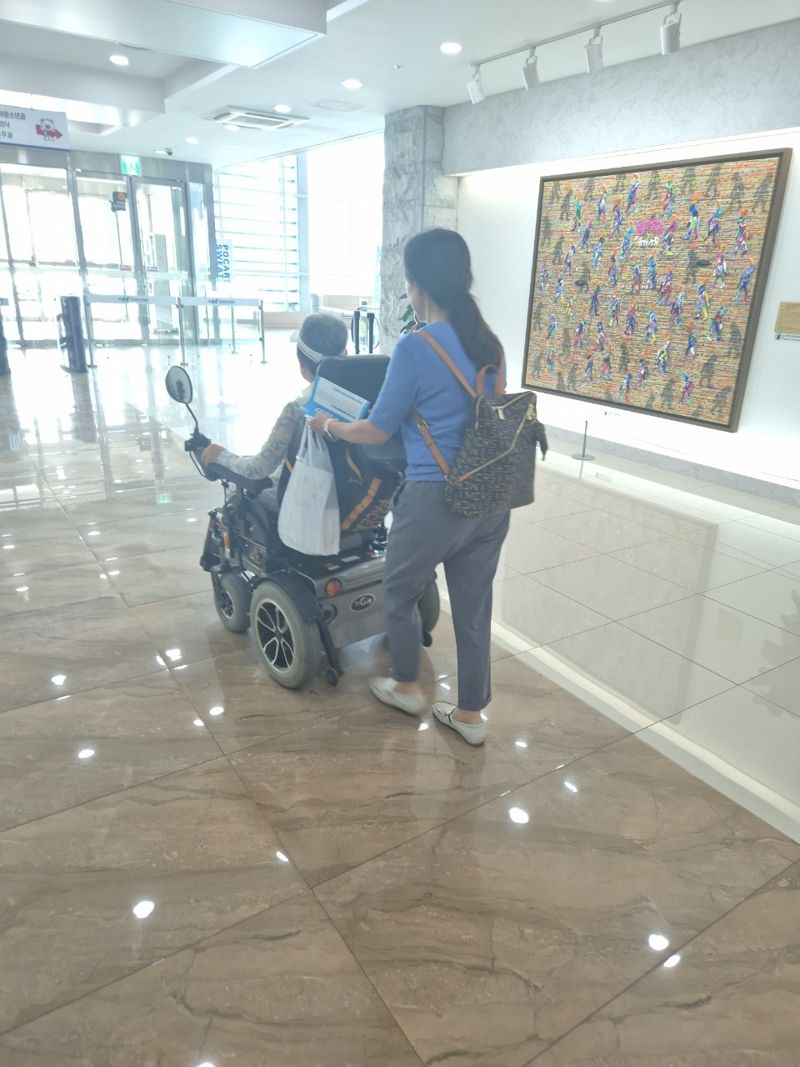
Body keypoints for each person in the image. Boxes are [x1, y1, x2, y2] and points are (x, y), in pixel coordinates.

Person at [308, 228, 509, 746]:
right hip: (490, 495)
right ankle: (470, 715)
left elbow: (376, 430)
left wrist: (329, 426)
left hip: (435, 498)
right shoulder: (489, 344)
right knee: (474, 609)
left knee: (398, 590)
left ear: (419, 286)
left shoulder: (416, 348)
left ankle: (406, 686)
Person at [200, 313, 348, 479]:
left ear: (300, 360)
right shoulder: (364, 398)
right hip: (357, 490)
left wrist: (221, 456)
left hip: (308, 491)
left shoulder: (298, 409)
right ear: (346, 354)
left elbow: (258, 469)